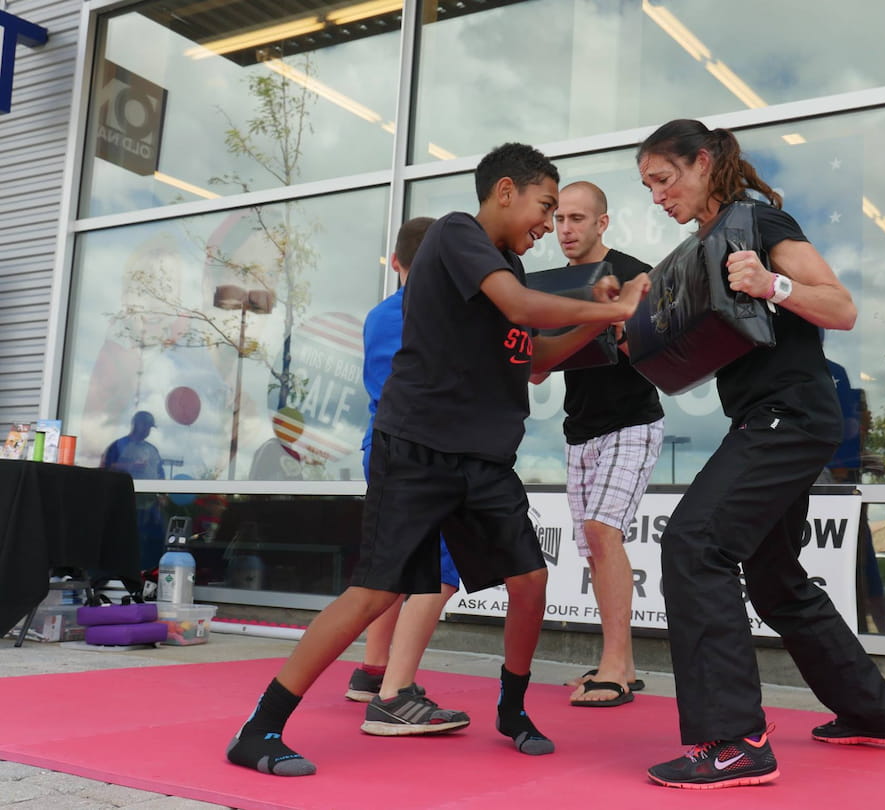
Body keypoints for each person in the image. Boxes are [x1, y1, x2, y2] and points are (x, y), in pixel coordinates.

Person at [224, 142, 650, 776]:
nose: (548, 222)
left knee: (530, 583)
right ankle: (260, 728)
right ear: (505, 191)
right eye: (545, 206)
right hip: (416, 450)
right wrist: (614, 305)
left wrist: (598, 324)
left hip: (484, 460)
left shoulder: (508, 270)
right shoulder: (457, 236)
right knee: (375, 593)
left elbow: (534, 362)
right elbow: (521, 307)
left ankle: (511, 709)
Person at [635, 119, 885, 790]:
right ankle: (870, 711)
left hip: (792, 414)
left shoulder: (757, 224)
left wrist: (771, 285)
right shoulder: (706, 245)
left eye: (664, 180)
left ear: (703, 163)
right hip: (770, 416)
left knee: (695, 543)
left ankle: (735, 742)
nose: (657, 196)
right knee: (773, 574)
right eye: (647, 187)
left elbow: (840, 308)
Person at [341, 216, 468, 736]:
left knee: (397, 563)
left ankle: (373, 672)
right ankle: (396, 693)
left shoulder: (378, 314)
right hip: (423, 451)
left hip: (385, 446)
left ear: (395, 262)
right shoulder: (437, 313)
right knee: (440, 569)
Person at [543, 181, 664, 707]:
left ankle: (614, 665)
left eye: (576, 219)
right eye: (559, 220)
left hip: (633, 421)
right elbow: (536, 366)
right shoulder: (551, 285)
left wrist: (628, 331)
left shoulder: (637, 274)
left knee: (601, 529)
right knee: (594, 546)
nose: (565, 229)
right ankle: (623, 663)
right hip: (579, 429)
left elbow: (669, 344)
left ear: (601, 223)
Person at [101, 410, 166, 573]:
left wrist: (163, 494)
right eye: (145, 426)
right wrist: (131, 467)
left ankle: (148, 575)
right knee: (127, 541)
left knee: (153, 541)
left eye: (150, 427)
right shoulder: (119, 445)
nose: (147, 430)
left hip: (150, 506)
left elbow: (160, 474)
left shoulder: (152, 450)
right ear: (136, 424)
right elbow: (107, 468)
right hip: (126, 503)